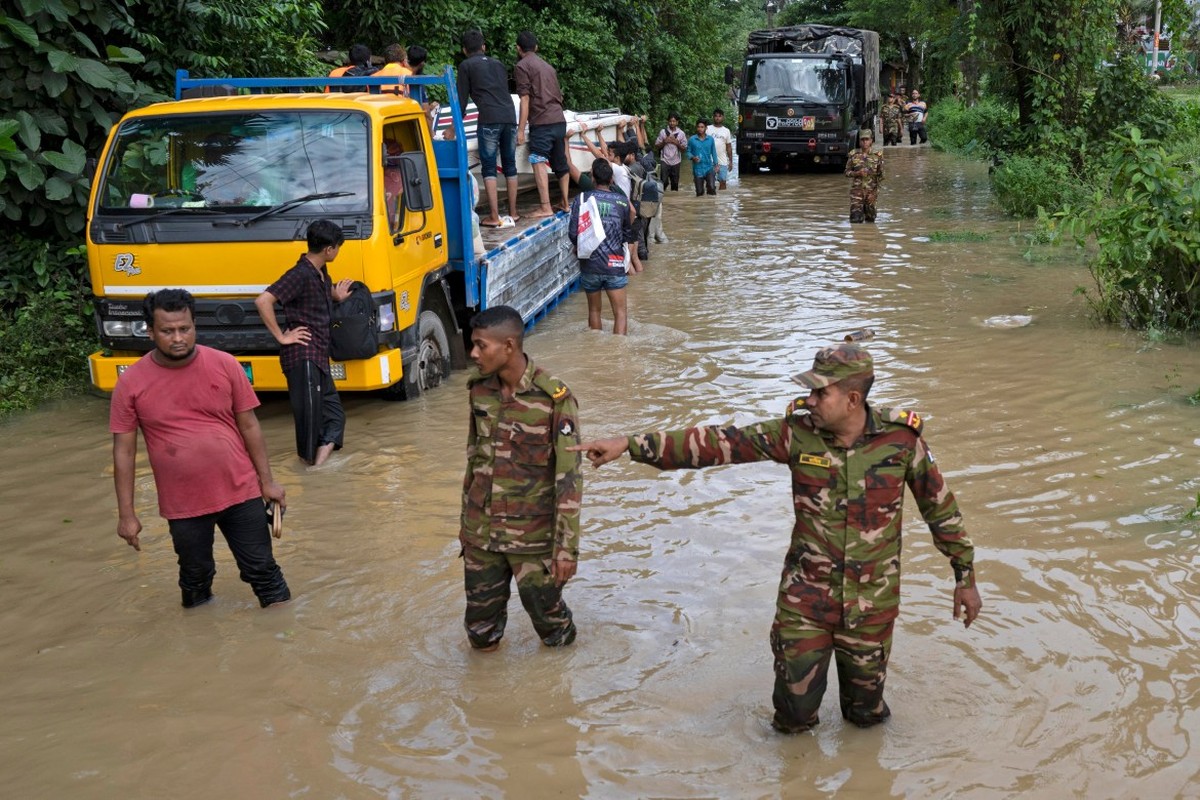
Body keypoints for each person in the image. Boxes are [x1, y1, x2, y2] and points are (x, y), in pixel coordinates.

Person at [571, 342, 982, 734]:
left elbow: (940, 509)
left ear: (853, 400)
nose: (811, 400)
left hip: (870, 608)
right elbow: (720, 443)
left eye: (821, 393)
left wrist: (965, 578)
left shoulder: (901, 441)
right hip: (805, 605)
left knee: (866, 718)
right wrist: (630, 444)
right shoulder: (796, 434)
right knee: (793, 718)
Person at [110, 289, 291, 609]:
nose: (177, 338)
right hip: (183, 503)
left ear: (195, 326)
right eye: (167, 331)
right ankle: (198, 645)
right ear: (150, 332)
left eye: (185, 328)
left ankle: (283, 641)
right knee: (195, 577)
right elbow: (123, 452)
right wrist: (127, 514)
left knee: (263, 571)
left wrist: (268, 482)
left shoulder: (225, 364)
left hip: (241, 491)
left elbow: (249, 426)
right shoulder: (131, 383)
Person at [459, 304, 582, 651]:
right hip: (481, 535)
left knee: (554, 631)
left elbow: (569, 479)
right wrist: (465, 526)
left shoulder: (554, 398)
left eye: (482, 345)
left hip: (534, 540)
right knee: (480, 633)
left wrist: (565, 549)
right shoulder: (479, 390)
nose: (473, 353)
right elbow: (474, 459)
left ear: (509, 346)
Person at [255, 219, 353, 467]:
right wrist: (281, 336)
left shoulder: (319, 272)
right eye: (337, 248)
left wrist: (336, 295)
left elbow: (319, 291)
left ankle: (316, 473)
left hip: (319, 355)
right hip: (303, 356)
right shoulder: (298, 274)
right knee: (309, 422)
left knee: (334, 416)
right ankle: (310, 470)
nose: (337, 252)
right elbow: (263, 301)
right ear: (329, 249)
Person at [458, 29, 519, 228]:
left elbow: (461, 102)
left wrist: (453, 127)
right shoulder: (499, 64)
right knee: (510, 164)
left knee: (489, 167)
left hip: (490, 118)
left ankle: (494, 217)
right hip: (510, 116)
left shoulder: (466, 66)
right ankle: (513, 213)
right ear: (483, 47)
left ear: (464, 50)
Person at [567, 158, 633, 335]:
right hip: (615, 262)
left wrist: (578, 247)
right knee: (620, 313)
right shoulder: (622, 201)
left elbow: (573, 233)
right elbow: (628, 233)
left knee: (594, 311)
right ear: (612, 180)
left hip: (590, 263)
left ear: (592, 177)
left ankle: (596, 350)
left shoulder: (581, 199)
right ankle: (618, 355)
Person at [515, 30, 570, 218]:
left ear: (518, 48)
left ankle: (545, 207)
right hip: (559, 120)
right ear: (536, 47)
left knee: (537, 160)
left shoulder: (522, 66)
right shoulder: (549, 67)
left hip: (542, 122)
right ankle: (565, 203)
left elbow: (524, 99)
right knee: (561, 163)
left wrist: (521, 130)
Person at [844, 129, 884, 223]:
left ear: (871, 141)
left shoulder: (877, 156)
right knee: (855, 220)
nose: (865, 142)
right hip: (857, 192)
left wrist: (875, 194)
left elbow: (881, 177)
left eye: (867, 139)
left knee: (870, 219)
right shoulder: (854, 155)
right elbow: (846, 172)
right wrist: (856, 173)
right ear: (859, 141)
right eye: (862, 140)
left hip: (871, 193)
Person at [654, 114, 688, 191]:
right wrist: (664, 142)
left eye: (674, 121)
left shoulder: (681, 134)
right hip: (664, 160)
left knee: (675, 185)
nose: (672, 123)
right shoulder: (663, 132)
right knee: (663, 182)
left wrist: (677, 143)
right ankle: (664, 198)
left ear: (677, 122)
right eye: (670, 121)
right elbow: (656, 146)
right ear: (668, 122)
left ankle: (673, 201)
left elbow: (684, 149)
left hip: (676, 161)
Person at [687, 117, 718, 197]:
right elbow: (688, 152)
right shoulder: (692, 139)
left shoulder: (710, 139)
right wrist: (693, 157)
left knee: (711, 188)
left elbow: (714, 153)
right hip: (697, 169)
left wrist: (716, 164)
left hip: (709, 167)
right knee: (699, 193)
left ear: (706, 128)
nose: (700, 129)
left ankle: (711, 205)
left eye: (702, 127)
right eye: (698, 127)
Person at [709, 109, 734, 189]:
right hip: (709, 160)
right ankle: (711, 200)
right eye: (716, 116)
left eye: (720, 116)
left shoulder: (726, 131)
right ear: (713, 117)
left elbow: (729, 147)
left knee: (723, 182)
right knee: (710, 182)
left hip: (722, 161)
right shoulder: (707, 129)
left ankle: (722, 200)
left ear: (723, 118)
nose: (717, 118)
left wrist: (730, 161)